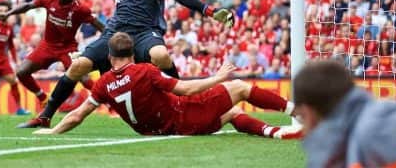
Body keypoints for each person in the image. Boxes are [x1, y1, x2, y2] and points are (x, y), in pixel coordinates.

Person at [19, 0, 234, 128]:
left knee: (160, 55)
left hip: (144, 33)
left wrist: (209, 10)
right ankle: (45, 116)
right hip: (114, 34)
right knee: (78, 66)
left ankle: (184, 104)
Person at [33, 32, 301, 138]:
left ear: (110, 57)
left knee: (231, 114)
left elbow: (78, 114)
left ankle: (275, 132)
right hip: (183, 117)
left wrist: (54, 130)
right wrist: (218, 78)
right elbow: (185, 89)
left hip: (156, 130)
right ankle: (297, 111)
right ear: (133, 52)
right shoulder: (145, 70)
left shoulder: (103, 83)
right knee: (240, 87)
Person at [293, 60, 396, 168]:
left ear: (309, 113)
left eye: (301, 118)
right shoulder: (356, 137)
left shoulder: (372, 128)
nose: (304, 131)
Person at [0, 0, 105, 108]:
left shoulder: (80, 9)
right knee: (21, 72)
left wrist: (106, 43)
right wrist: (9, 13)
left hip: (67, 48)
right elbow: (29, 5)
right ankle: (42, 97)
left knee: (83, 78)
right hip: (47, 45)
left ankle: (109, 104)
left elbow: (100, 26)